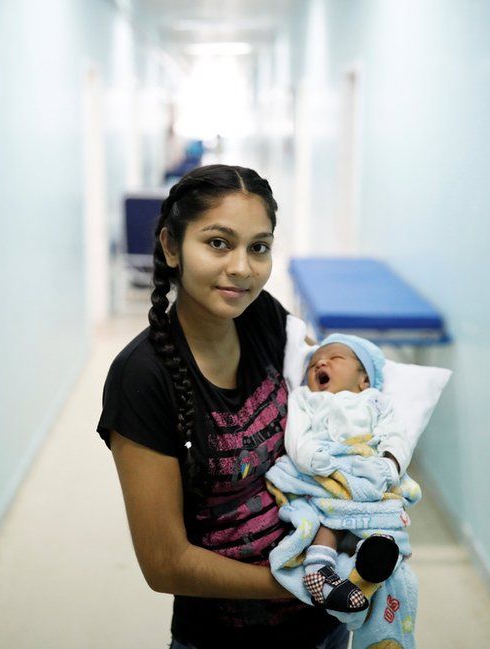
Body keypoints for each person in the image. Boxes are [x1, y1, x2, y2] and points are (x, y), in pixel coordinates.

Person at [97, 164, 348, 649]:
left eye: (259, 247)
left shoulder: (263, 316)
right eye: (218, 243)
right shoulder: (142, 377)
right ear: (171, 246)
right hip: (225, 636)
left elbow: (328, 402)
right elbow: (164, 563)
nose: (242, 267)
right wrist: (300, 587)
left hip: (328, 628)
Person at [280, 334, 409, 614]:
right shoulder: (305, 398)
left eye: (336, 358)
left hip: (367, 469)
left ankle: (369, 565)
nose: (321, 362)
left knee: (384, 515)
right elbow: (296, 436)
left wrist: (390, 462)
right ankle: (320, 569)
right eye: (313, 363)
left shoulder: (375, 401)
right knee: (325, 514)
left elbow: (396, 435)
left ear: (363, 379)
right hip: (323, 470)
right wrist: (312, 458)